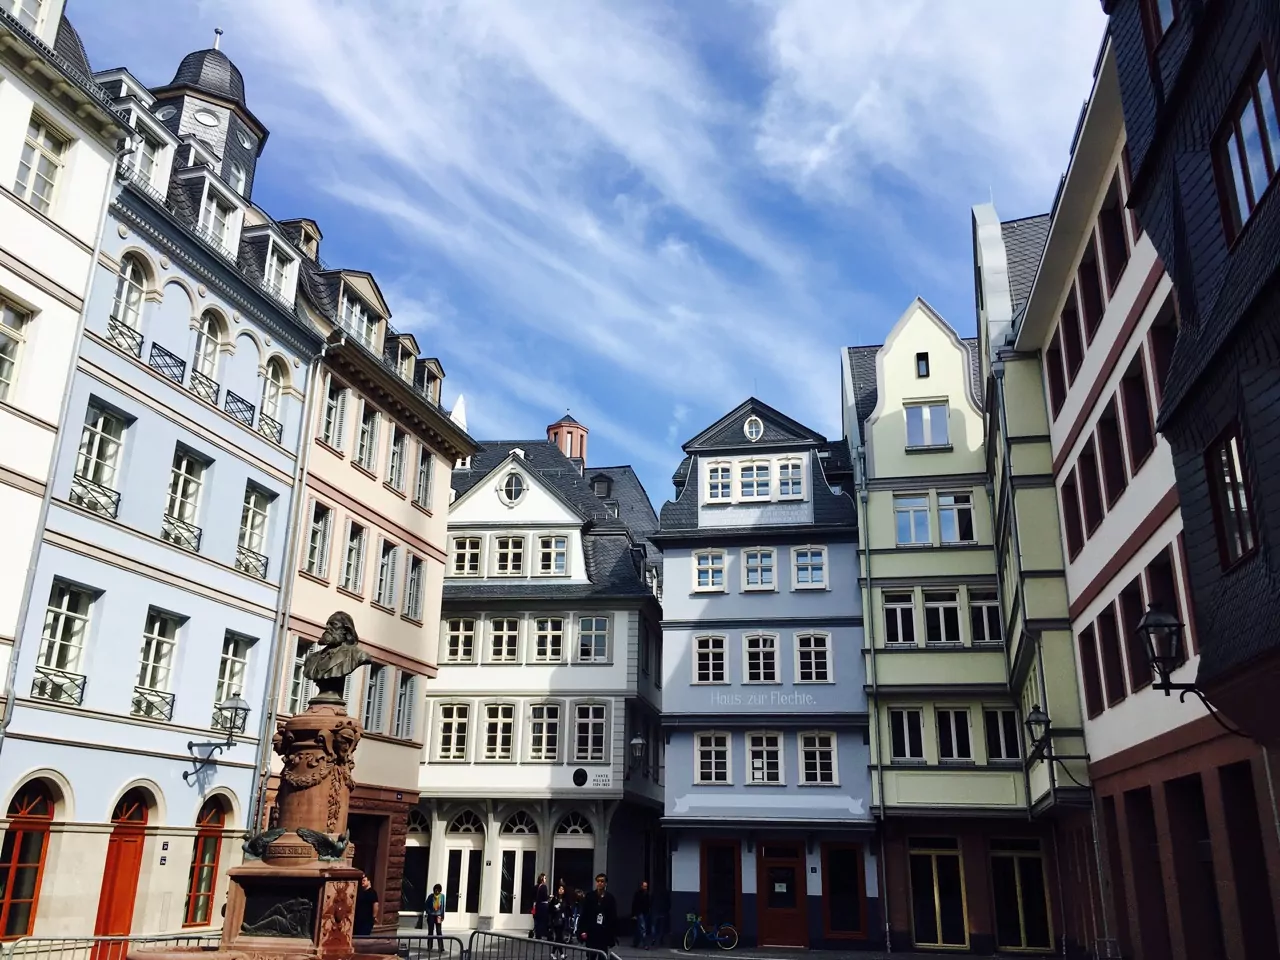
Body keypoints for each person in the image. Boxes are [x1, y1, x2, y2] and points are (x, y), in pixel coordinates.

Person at [579, 873, 618, 952]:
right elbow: (585, 914)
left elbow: (613, 917)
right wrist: (583, 930)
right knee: (591, 954)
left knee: (602, 954)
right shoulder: (590, 896)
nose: (600, 883)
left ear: (605, 883)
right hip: (592, 931)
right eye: (598, 881)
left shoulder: (610, 898)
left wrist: (612, 935)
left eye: (602, 881)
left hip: (604, 932)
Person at [548, 884, 569, 959]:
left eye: (562, 889)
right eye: (560, 889)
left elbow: (567, 909)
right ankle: (561, 954)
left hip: (562, 920)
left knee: (559, 938)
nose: (561, 890)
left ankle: (553, 953)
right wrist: (555, 907)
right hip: (556, 920)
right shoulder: (555, 898)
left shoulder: (565, 899)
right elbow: (550, 909)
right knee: (558, 937)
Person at [631, 880, 652, 949]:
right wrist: (633, 914)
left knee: (639, 928)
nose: (645, 887)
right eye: (644, 886)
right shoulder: (638, 894)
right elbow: (634, 904)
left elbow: (649, 903)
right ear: (641, 886)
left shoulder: (647, 894)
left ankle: (636, 942)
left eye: (646, 886)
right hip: (639, 912)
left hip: (645, 912)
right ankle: (645, 944)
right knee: (643, 928)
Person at [425, 883, 446, 952]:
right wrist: (428, 911)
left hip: (438, 915)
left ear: (440, 891)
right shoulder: (431, 896)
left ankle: (441, 947)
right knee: (430, 931)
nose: (437, 891)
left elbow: (443, 906)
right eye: (436, 890)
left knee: (439, 931)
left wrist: (442, 916)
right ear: (434, 890)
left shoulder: (442, 896)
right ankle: (429, 946)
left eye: (438, 890)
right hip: (431, 915)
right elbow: (426, 905)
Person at [533, 872, 550, 941]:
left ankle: (538, 934)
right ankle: (544, 933)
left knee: (538, 920)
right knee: (544, 920)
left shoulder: (536, 887)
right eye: (545, 878)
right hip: (543, 905)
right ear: (542, 879)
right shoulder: (544, 887)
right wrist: (549, 897)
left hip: (537, 905)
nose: (546, 880)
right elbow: (545, 897)